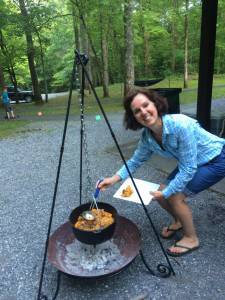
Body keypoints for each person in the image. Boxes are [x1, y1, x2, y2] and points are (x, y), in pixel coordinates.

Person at [98, 88, 225, 257]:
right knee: (160, 190)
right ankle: (179, 220)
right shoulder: (147, 137)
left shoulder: (180, 124)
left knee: (173, 195)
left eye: (145, 105)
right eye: (137, 111)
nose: (143, 112)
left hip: (216, 159)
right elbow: (135, 161)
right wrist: (113, 179)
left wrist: (169, 191)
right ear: (133, 116)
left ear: (155, 104)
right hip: (193, 162)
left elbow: (188, 169)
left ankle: (191, 238)